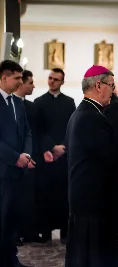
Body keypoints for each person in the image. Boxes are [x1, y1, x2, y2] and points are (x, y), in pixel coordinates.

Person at [64, 65, 118, 267]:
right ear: (98, 85)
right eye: (111, 86)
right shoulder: (92, 118)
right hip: (94, 203)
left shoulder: (81, 113)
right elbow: (112, 156)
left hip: (85, 199)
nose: (113, 92)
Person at [34, 68, 76, 243]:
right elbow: (38, 129)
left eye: (56, 79)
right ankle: (45, 232)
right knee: (46, 194)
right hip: (47, 155)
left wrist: (63, 147)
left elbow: (72, 127)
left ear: (62, 82)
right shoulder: (39, 102)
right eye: (50, 78)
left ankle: (65, 231)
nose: (52, 81)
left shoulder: (69, 102)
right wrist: (52, 147)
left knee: (64, 194)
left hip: (64, 155)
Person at [13, 70, 54, 244]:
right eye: (30, 82)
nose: (34, 86)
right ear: (21, 83)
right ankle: (14, 233)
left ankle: (30, 231)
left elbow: (39, 132)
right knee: (14, 197)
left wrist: (44, 150)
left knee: (32, 196)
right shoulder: (9, 105)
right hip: (13, 158)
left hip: (33, 157)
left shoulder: (32, 107)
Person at [0, 60, 33, 267]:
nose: (20, 82)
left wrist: (26, 154)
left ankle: (11, 258)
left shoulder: (18, 103)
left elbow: (27, 131)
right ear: (4, 77)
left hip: (19, 170)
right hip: (2, 170)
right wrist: (15, 157)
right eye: (17, 78)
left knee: (13, 216)